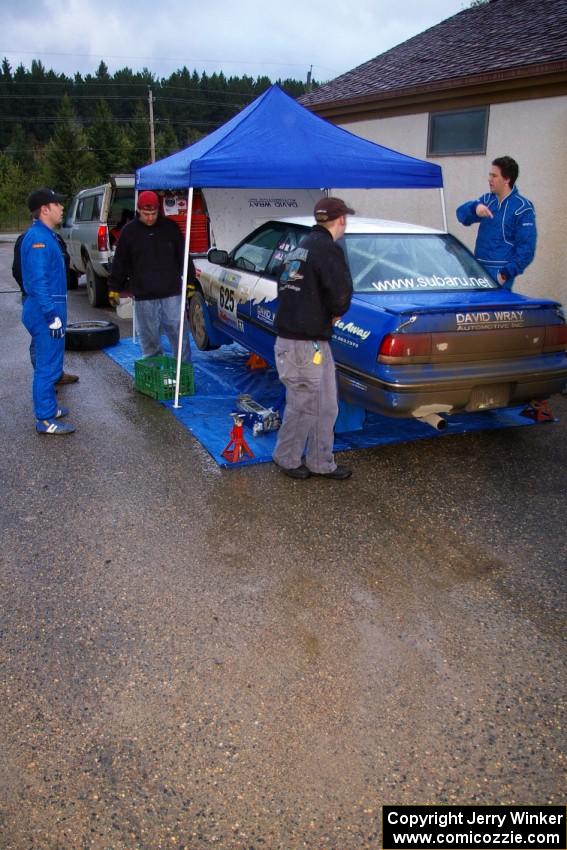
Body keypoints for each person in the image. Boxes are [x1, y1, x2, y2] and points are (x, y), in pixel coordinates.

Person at [272, 197, 354, 481]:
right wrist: (335, 312)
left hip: (312, 341)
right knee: (304, 404)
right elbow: (341, 293)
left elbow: (285, 286)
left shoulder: (301, 246)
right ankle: (287, 457)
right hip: (302, 343)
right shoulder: (326, 249)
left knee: (326, 404)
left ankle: (321, 461)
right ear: (341, 219)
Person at [108, 190, 193, 362]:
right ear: (138, 210)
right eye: (146, 214)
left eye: (153, 214)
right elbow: (120, 262)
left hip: (171, 291)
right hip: (143, 293)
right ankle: (153, 373)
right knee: (149, 337)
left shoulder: (170, 228)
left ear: (158, 211)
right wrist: (114, 288)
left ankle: (183, 370)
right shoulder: (129, 232)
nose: (150, 218)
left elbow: (183, 255)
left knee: (178, 333)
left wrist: (190, 280)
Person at [20, 187, 76, 434]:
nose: (62, 208)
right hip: (46, 311)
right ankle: (44, 419)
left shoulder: (46, 235)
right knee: (47, 365)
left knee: (52, 361)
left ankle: (50, 407)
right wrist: (51, 315)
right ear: (45, 209)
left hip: (50, 307)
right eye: (58, 204)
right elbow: (38, 281)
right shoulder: (38, 239)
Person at [456, 156, 536, 289]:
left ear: (507, 179)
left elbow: (527, 249)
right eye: (490, 175)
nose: (489, 179)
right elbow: (461, 215)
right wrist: (475, 208)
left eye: (494, 175)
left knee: (494, 310)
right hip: (477, 271)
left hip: (499, 274)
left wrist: (505, 274)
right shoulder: (487, 200)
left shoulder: (522, 208)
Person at [13, 226, 79, 386]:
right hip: (39, 299)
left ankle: (56, 374)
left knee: (56, 338)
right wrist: (32, 292)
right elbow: (17, 270)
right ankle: (44, 381)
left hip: (56, 298)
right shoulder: (28, 239)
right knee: (40, 341)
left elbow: (64, 263)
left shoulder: (55, 238)